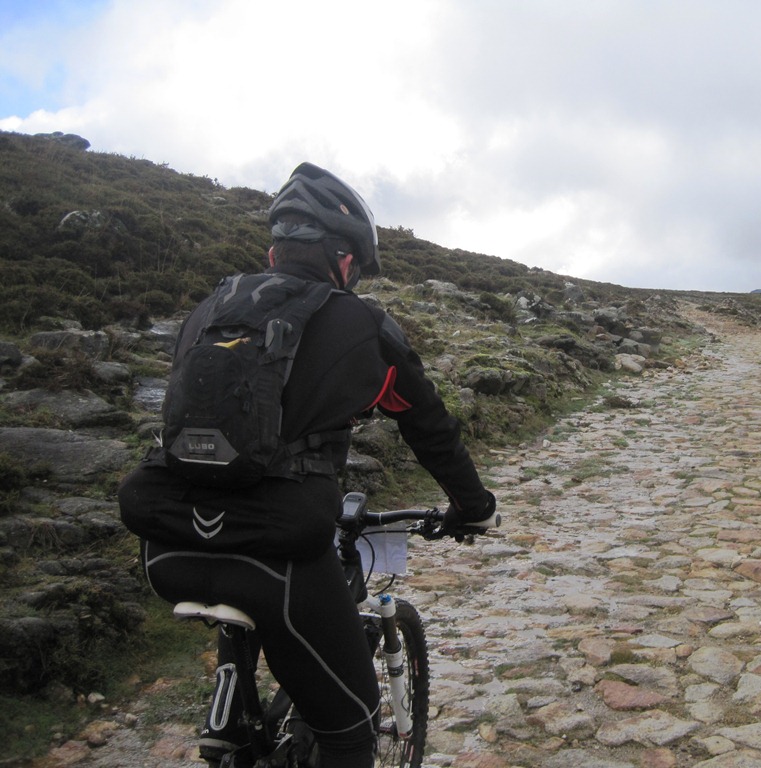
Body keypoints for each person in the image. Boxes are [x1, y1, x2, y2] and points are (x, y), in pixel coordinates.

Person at [118, 162, 496, 768]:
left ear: (276, 251)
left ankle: (231, 723)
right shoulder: (363, 324)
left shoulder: (209, 309)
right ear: (343, 260)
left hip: (168, 547)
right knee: (349, 726)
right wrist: (472, 507)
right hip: (279, 556)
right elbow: (428, 427)